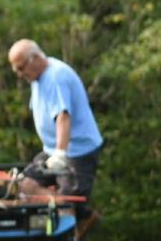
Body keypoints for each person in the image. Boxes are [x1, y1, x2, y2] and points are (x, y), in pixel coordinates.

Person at [7, 39, 103, 205]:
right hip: (51, 151)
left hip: (76, 152)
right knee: (22, 184)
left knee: (70, 200)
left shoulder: (56, 76)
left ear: (35, 58)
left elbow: (63, 116)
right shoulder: (38, 78)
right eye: (16, 69)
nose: (19, 73)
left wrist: (60, 153)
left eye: (21, 67)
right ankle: (49, 211)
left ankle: (81, 219)